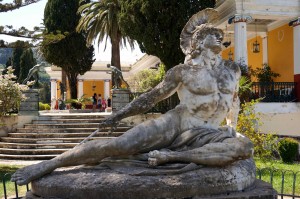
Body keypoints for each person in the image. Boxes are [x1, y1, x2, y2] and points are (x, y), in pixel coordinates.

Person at [11, 8, 253, 186]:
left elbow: (232, 101)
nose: (220, 36)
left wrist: (232, 127)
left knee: (243, 146)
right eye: (213, 34)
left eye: (220, 34)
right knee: (118, 145)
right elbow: (151, 98)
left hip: (210, 133)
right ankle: (50, 163)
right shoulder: (183, 72)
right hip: (177, 123)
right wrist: (119, 114)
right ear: (199, 41)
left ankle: (172, 157)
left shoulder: (231, 70)